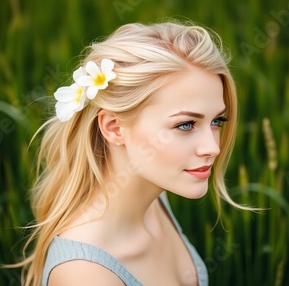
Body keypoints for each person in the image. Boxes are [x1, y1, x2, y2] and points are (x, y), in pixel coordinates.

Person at [16, 20, 250, 286]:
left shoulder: (156, 196)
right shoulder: (85, 276)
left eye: (216, 121)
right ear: (114, 128)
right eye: (185, 125)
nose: (213, 148)